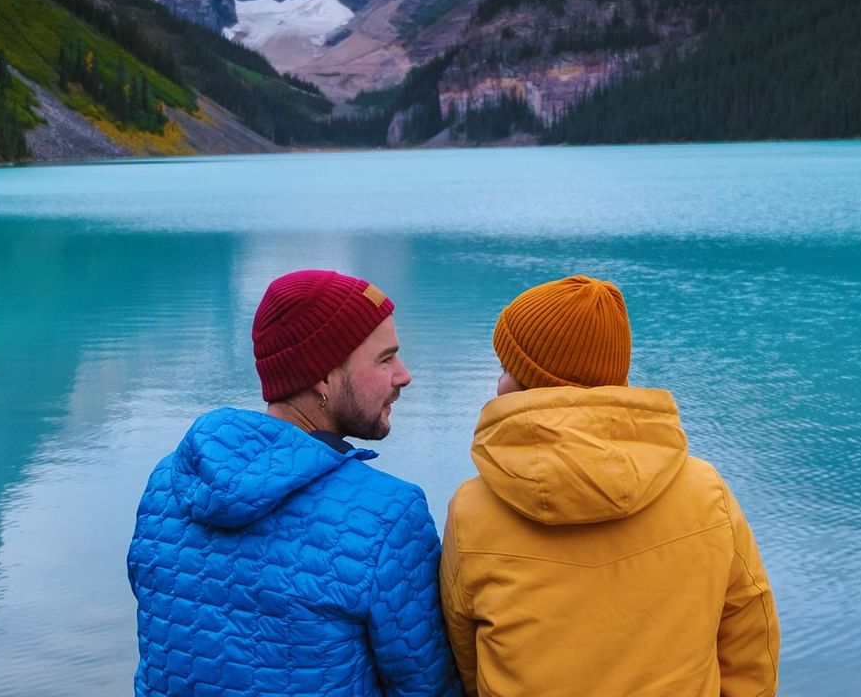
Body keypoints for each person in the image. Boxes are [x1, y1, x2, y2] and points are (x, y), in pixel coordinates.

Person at [440, 275, 780, 697]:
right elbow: (750, 636)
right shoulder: (705, 491)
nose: (499, 382)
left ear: (533, 378)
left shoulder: (473, 509)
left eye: (507, 367)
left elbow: (465, 652)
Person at [128, 269, 461, 697]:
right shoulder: (388, 515)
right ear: (322, 377)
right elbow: (426, 686)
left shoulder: (168, 483)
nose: (404, 375)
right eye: (385, 359)